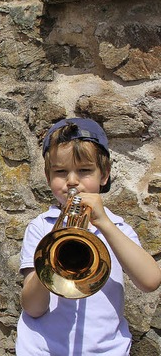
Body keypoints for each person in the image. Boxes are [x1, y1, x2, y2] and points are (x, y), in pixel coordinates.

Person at [16, 118, 161, 355]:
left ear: (104, 176)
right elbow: (33, 308)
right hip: (43, 349)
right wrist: (52, 255)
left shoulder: (116, 227)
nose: (72, 181)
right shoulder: (41, 227)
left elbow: (150, 281)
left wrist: (103, 223)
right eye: (61, 172)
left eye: (84, 171)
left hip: (106, 350)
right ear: (48, 177)